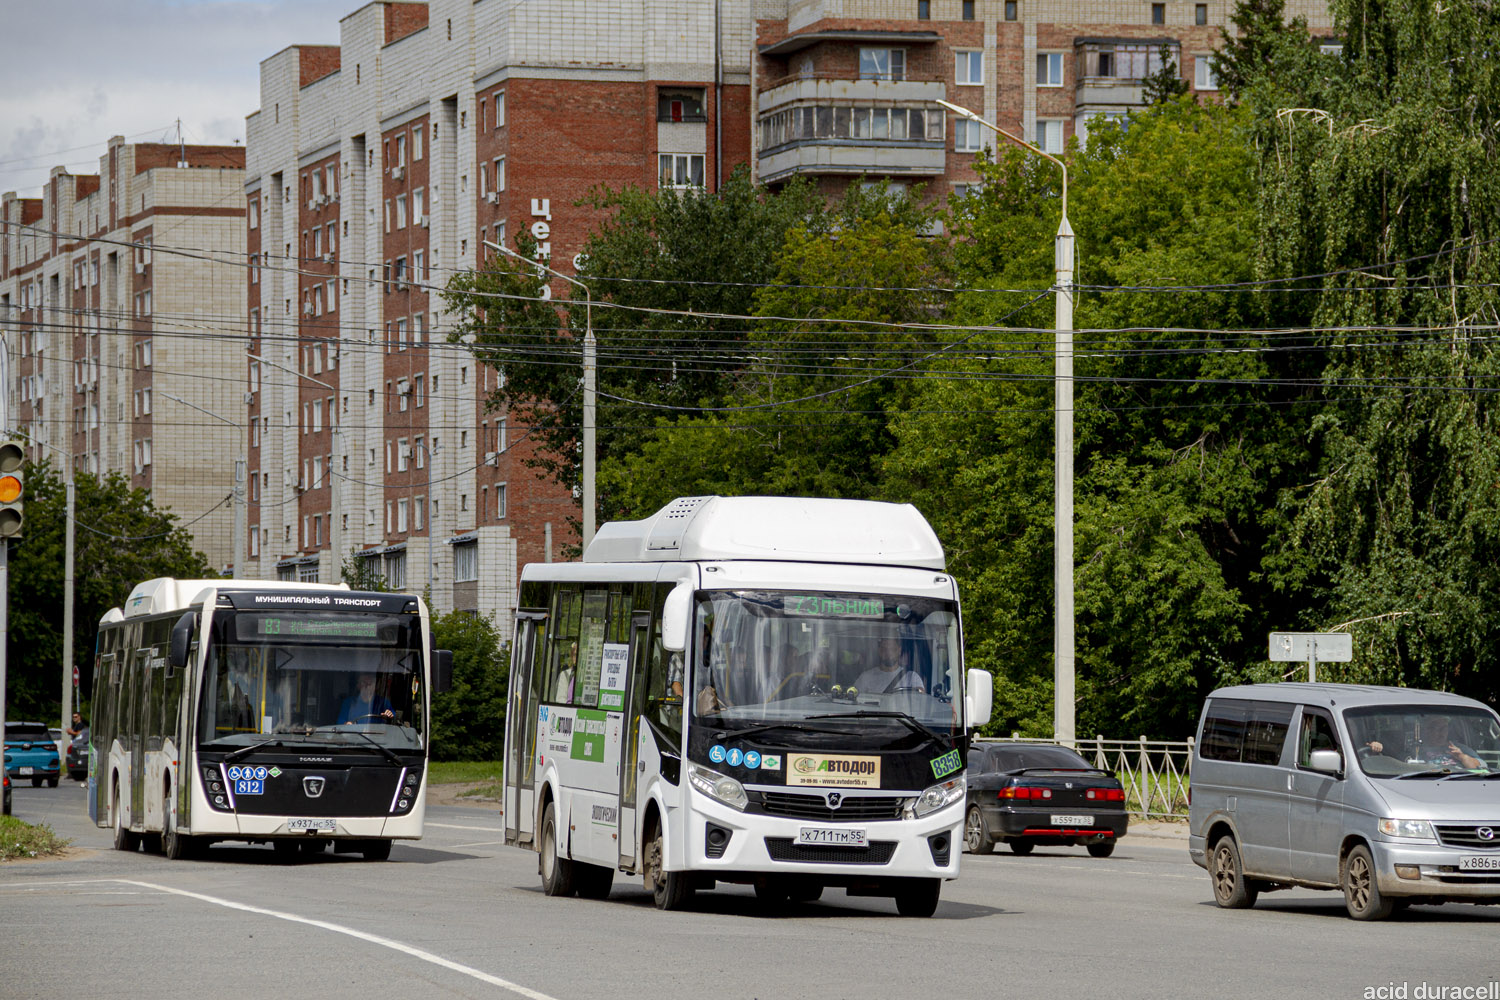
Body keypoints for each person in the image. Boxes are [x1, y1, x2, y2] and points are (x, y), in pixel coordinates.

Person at [853, 637, 925, 696]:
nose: (888, 653)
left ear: (899, 650)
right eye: (884, 649)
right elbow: (854, 700)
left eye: (892, 649)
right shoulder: (866, 677)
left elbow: (920, 702)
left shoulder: (912, 677)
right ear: (879, 651)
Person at [1411, 715, 1482, 769]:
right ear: (1427, 730)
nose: (1442, 733)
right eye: (1437, 728)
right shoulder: (1417, 750)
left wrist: (1462, 757)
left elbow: (1483, 770)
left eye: (1444, 728)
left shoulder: (1459, 748)